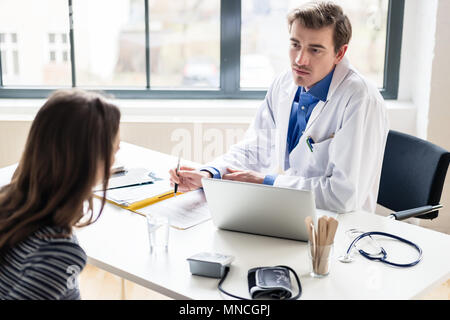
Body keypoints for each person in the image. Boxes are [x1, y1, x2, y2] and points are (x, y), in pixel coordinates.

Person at [169, 1, 389, 213]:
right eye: (295, 45)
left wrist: (267, 182)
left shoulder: (360, 99)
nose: (300, 60)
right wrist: (210, 174)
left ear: (339, 53)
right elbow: (255, 148)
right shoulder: (284, 82)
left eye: (315, 50)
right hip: (289, 210)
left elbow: (343, 196)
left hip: (338, 227)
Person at [0, 90, 121, 300]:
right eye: (114, 150)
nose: (114, 162)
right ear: (90, 162)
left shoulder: (8, 202)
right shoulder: (57, 253)